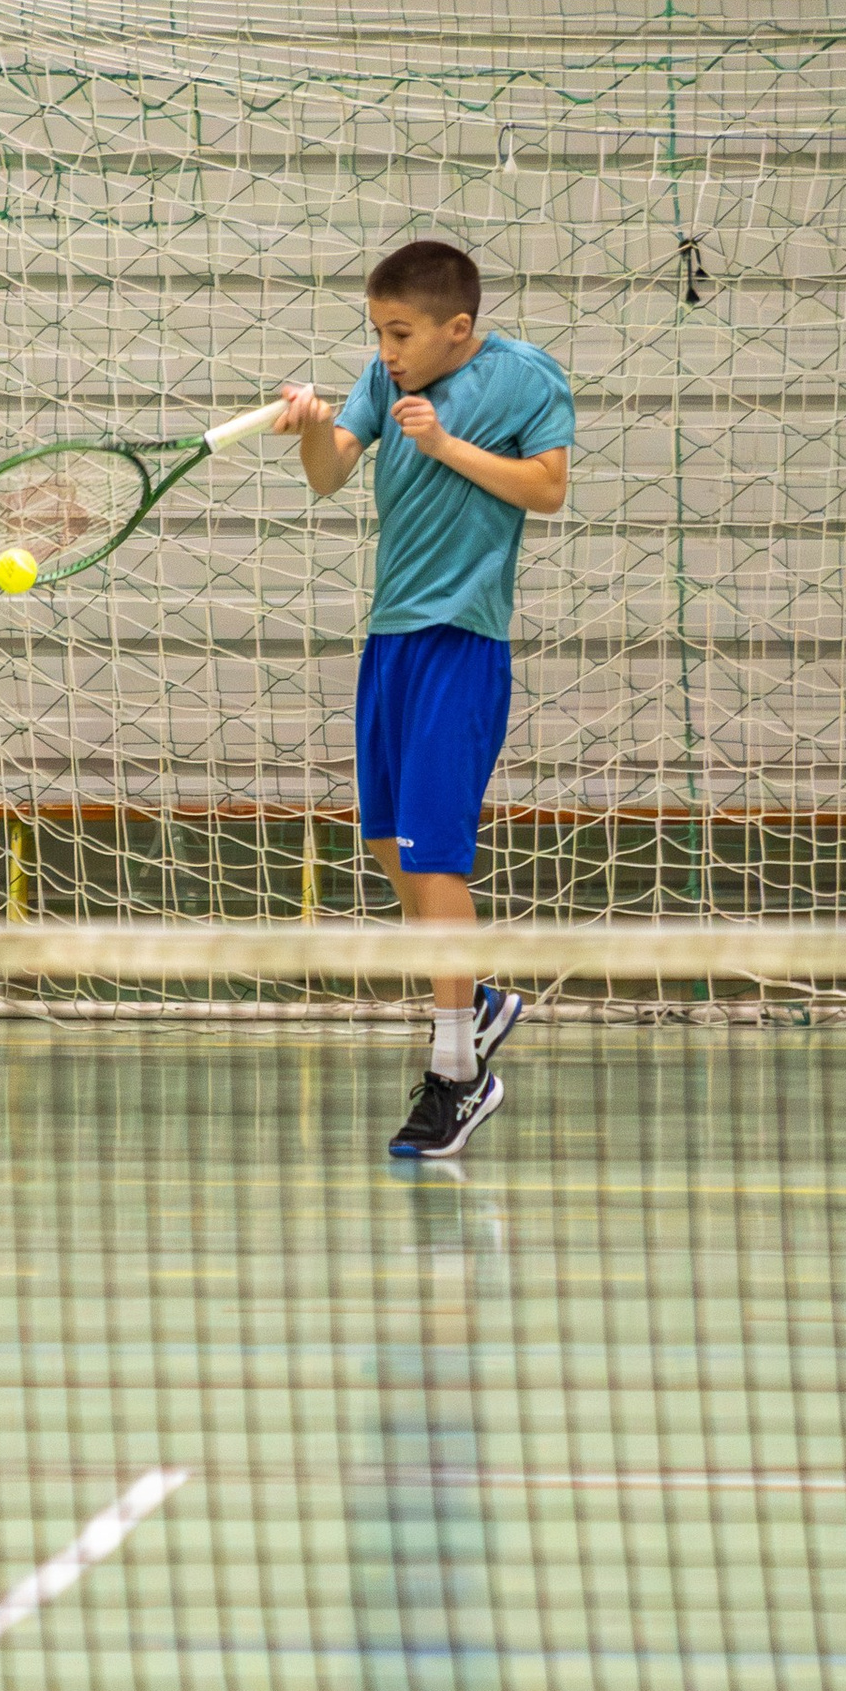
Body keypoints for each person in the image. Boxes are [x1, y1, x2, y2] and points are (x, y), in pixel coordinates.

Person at [271, 240, 573, 1162]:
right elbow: (328, 475)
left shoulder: (527, 380)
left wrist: (445, 443)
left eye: (401, 333)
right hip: (391, 639)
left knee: (435, 858)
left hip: (463, 643)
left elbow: (550, 490)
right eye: (378, 332)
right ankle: (476, 1001)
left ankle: (458, 1074)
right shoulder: (377, 377)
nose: (388, 350)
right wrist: (315, 423)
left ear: (458, 329)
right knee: (385, 847)